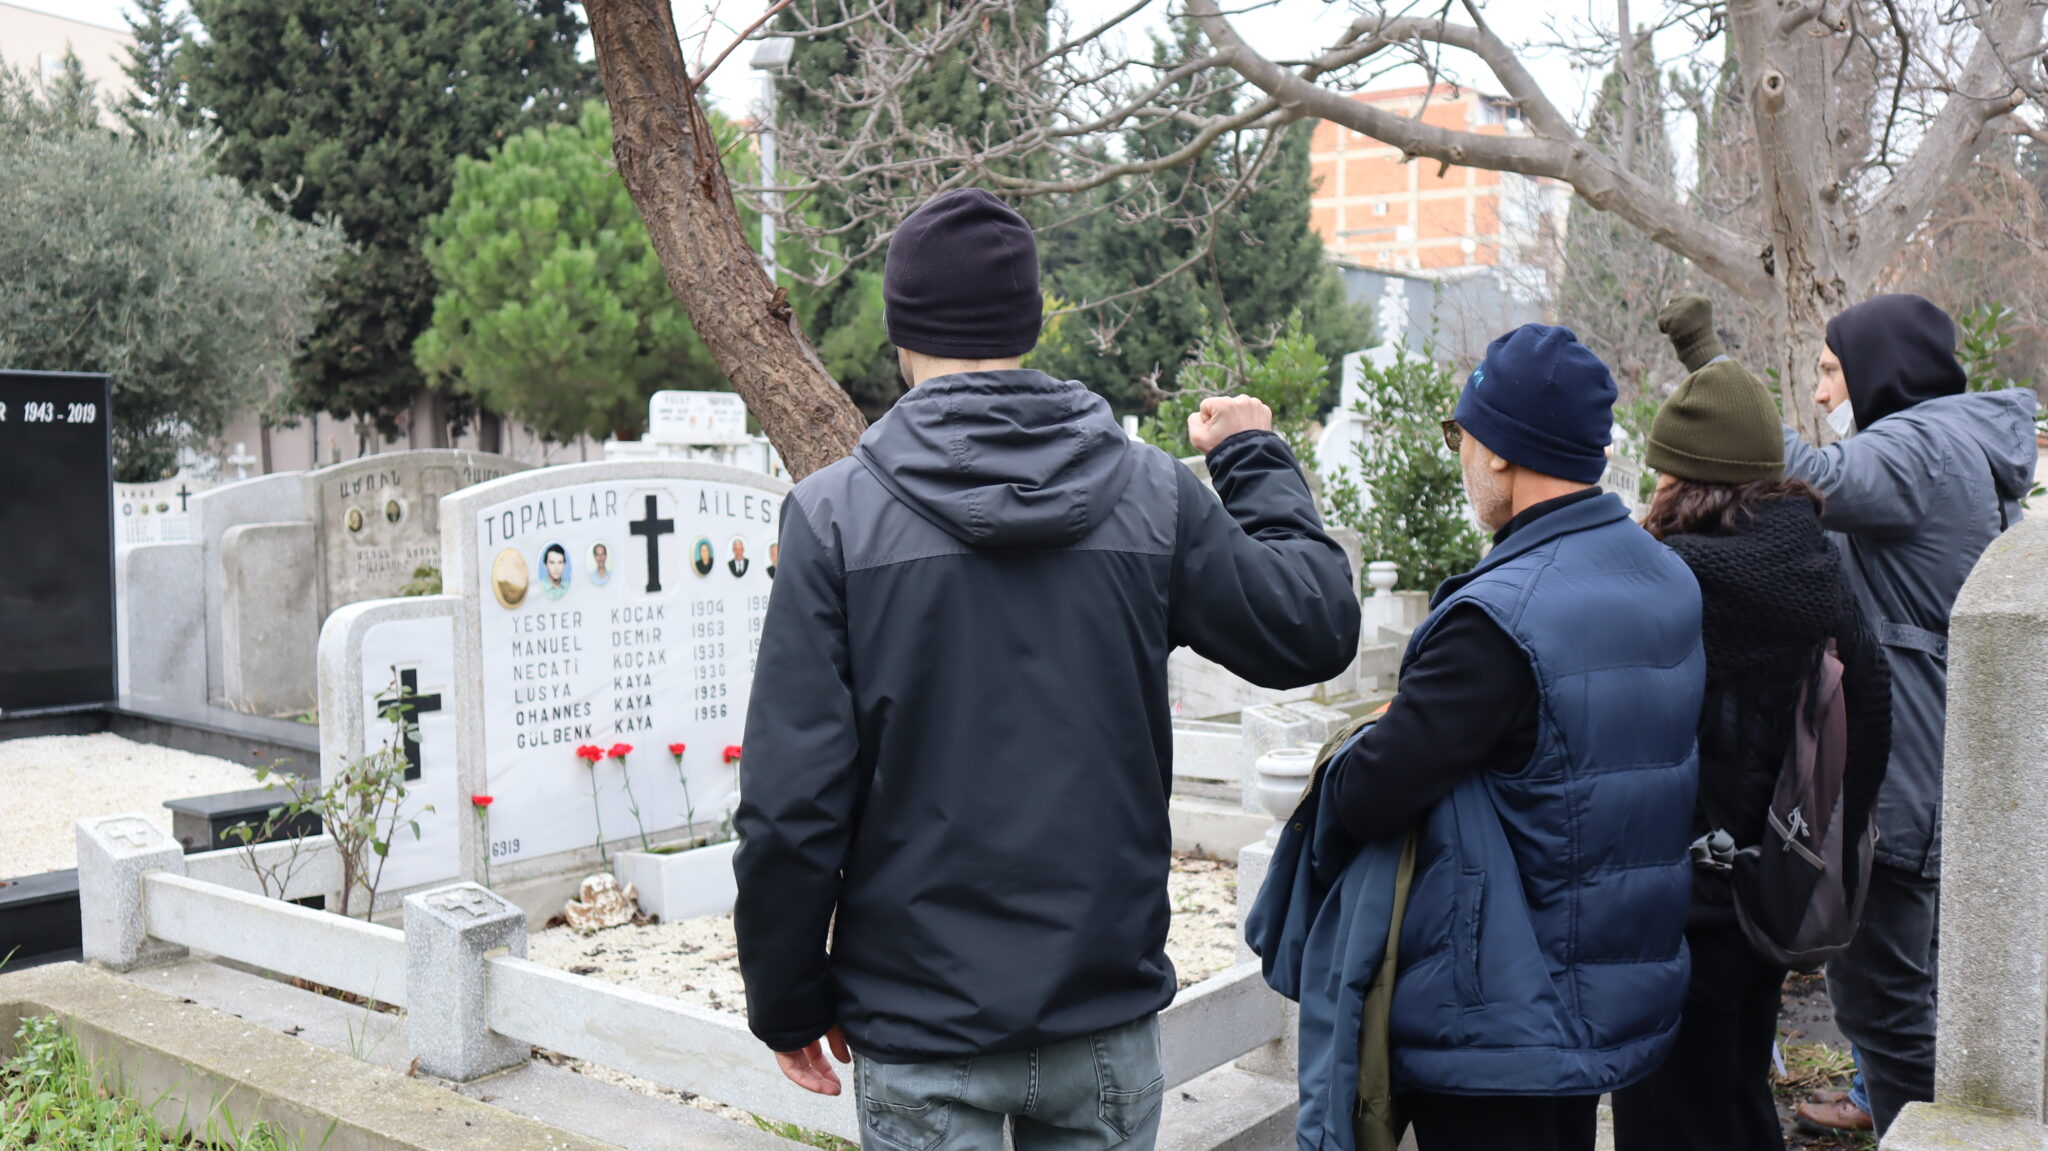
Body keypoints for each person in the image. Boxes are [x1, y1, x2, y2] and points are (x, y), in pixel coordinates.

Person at [732, 187, 1361, 1151]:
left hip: (922, 1021)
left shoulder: (833, 518)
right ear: (1029, 321)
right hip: (1097, 1012)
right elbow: (1311, 623)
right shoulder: (1152, 496)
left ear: (903, 329)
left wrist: (784, 994)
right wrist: (1250, 455)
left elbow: (793, 803)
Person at [1320, 324, 1704, 1151]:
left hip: (1499, 1015)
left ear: (1500, 450)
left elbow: (1367, 794)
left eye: (1461, 433)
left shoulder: (1500, 619)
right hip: (1611, 979)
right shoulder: (1664, 574)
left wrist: (1374, 734)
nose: (1460, 454)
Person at [1609, 295, 1892, 1151]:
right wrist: (1807, 850)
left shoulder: (1667, 582)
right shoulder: (1814, 565)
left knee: (1667, 1112)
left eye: (1662, 470)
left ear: (1688, 480)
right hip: (1769, 892)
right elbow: (1871, 719)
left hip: (1670, 901)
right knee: (1737, 1091)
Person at [1775, 294, 2038, 1138]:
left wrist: (1717, 381)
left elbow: (1815, 478)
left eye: (1828, 370)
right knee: (1919, 986)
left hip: (1902, 782)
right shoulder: (1956, 440)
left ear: (1880, 369)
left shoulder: (1919, 443)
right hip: (1938, 764)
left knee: (1885, 1002)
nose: (1820, 396)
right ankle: (1900, 1106)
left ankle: (1924, 1125)